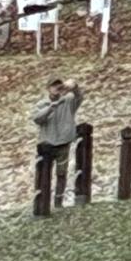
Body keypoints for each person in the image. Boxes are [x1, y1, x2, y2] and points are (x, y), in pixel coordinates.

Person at [32, 80, 83, 216]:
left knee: (62, 174)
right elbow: (37, 119)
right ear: (48, 88)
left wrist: (75, 87)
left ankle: (58, 202)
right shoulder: (41, 104)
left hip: (63, 144)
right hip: (46, 146)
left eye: (59, 86)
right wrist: (51, 108)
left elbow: (79, 97)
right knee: (43, 176)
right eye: (54, 86)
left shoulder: (69, 101)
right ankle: (42, 205)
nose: (57, 88)